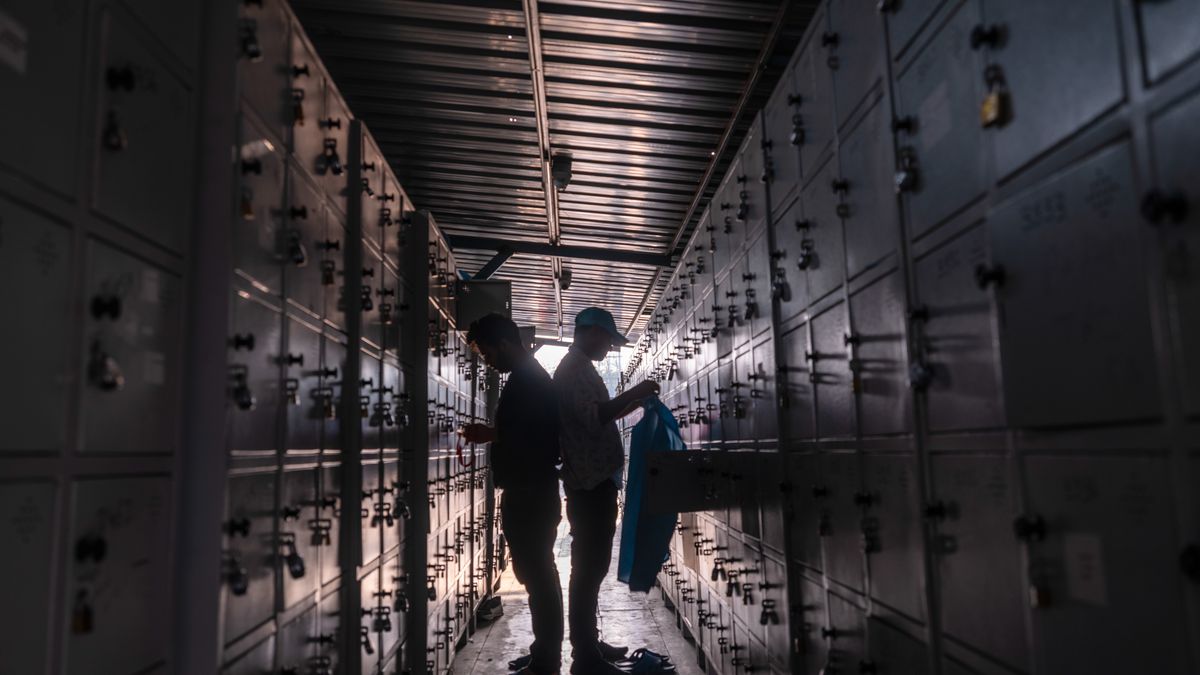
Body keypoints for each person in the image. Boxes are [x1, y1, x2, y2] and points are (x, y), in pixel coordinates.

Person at [553, 307, 660, 675]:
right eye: (609, 340)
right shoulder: (572, 370)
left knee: (591, 570)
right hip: (589, 486)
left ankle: (590, 644)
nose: (611, 348)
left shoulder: (581, 367)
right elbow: (594, 415)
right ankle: (585, 658)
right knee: (587, 572)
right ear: (593, 332)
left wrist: (632, 403)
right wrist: (635, 391)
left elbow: (598, 414)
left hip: (594, 482)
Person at [462, 313, 563, 675]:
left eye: (488, 354)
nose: (488, 362)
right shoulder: (526, 377)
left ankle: (547, 661)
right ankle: (543, 653)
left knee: (538, 575)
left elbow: (537, 437)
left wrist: (492, 434)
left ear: (504, 344)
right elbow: (527, 429)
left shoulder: (530, 380)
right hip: (529, 488)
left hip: (530, 491)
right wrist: (494, 434)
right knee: (535, 573)